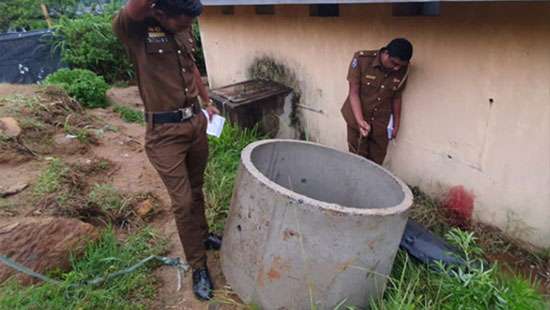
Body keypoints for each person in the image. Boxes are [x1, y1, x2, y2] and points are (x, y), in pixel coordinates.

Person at [112, 0, 221, 301]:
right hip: (164, 135)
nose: (189, 24)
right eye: (183, 19)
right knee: (183, 201)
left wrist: (207, 100)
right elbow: (134, 8)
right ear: (160, 12)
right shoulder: (135, 28)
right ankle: (197, 265)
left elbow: (192, 66)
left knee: (196, 189)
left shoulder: (183, 25)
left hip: (195, 124)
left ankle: (202, 236)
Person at [341, 38, 413, 165]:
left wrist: (396, 124)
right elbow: (353, 93)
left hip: (381, 124)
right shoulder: (361, 60)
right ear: (385, 53)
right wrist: (360, 121)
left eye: (401, 65)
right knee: (356, 158)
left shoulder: (403, 69)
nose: (397, 68)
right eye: (394, 63)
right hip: (357, 117)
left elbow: (396, 97)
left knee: (376, 163)